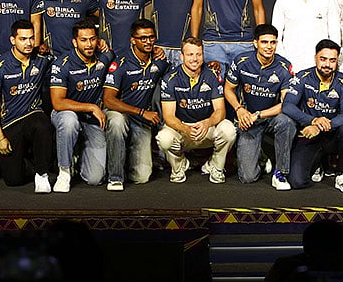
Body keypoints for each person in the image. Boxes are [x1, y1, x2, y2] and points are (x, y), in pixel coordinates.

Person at [0, 19, 55, 192]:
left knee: (42, 124)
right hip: (10, 122)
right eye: (23, 39)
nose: (29, 43)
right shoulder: (0, 66)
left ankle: (42, 174)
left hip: (33, 115)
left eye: (31, 38)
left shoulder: (42, 60)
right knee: (13, 180)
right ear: (13, 40)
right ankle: (29, 161)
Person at [224, 23, 295, 189]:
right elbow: (228, 89)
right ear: (255, 43)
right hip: (247, 119)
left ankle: (280, 173)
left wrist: (259, 114)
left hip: (271, 116)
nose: (269, 47)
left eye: (273, 42)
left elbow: (286, 103)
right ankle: (261, 157)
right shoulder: (241, 61)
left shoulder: (285, 67)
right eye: (264, 42)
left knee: (287, 121)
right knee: (248, 177)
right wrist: (239, 109)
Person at [102, 19, 170, 191]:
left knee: (142, 177)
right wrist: (141, 112)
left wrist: (208, 67)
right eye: (143, 38)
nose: (148, 41)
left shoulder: (159, 60)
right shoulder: (121, 63)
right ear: (133, 40)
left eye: (151, 37)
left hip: (141, 121)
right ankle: (115, 178)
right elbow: (108, 100)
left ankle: (126, 161)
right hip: (119, 113)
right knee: (117, 122)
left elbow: (176, 77)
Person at [157, 38, 236, 184]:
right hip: (183, 129)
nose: (195, 59)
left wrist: (207, 123)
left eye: (198, 54)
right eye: (190, 54)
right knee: (164, 138)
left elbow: (220, 111)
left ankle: (215, 167)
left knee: (229, 129)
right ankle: (179, 166)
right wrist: (186, 128)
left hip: (207, 128)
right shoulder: (170, 79)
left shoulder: (212, 75)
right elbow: (168, 116)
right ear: (182, 56)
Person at [283, 39, 343, 192]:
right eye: (323, 59)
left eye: (332, 60)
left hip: (332, 136)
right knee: (297, 182)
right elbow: (287, 106)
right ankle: (319, 163)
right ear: (315, 57)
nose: (327, 64)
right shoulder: (302, 77)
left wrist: (321, 127)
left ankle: (342, 173)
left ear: (337, 61)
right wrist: (314, 121)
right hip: (309, 134)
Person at [49, 18, 113, 193]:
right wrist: (91, 107)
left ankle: (77, 155)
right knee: (70, 121)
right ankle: (64, 171)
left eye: (92, 39)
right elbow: (58, 102)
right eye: (83, 40)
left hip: (91, 120)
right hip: (65, 114)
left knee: (95, 178)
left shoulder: (105, 57)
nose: (89, 44)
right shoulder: (61, 64)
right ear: (74, 42)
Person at [270, 0, 340, 72]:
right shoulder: (283, 0)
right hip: (292, 67)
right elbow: (275, 37)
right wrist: (285, 64)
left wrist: (328, 63)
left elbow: (335, 35)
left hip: (321, 69)